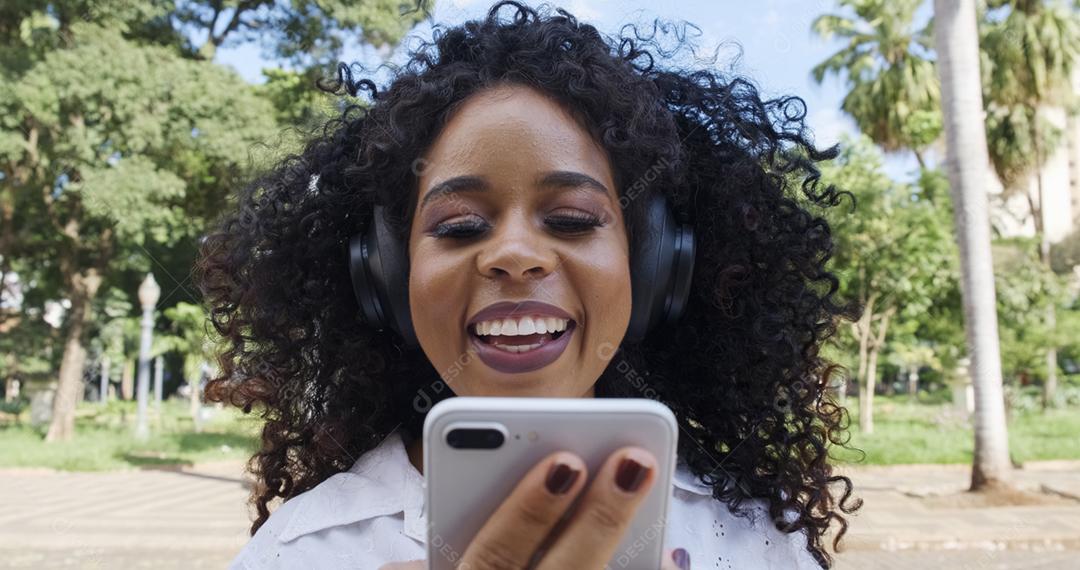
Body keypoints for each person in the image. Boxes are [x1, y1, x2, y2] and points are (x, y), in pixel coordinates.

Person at [196, 1, 861, 568]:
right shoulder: (300, 552)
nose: (514, 256)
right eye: (459, 226)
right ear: (388, 278)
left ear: (655, 268)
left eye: (571, 220)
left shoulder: (755, 544)